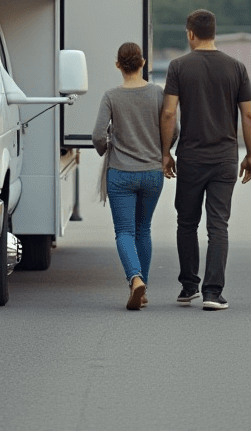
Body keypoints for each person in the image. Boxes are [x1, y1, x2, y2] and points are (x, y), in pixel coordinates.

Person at [160, 9, 251, 311]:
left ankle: (189, 287)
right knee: (218, 225)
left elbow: (168, 112)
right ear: (214, 32)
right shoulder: (236, 68)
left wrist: (166, 151)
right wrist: (250, 154)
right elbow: (249, 115)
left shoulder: (178, 67)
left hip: (191, 157)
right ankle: (213, 293)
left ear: (190, 34)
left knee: (186, 222)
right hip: (225, 158)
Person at [92, 42, 166, 310]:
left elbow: (98, 135)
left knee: (124, 231)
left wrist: (106, 150)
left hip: (121, 173)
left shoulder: (111, 96)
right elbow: (174, 126)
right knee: (143, 229)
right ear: (143, 63)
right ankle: (142, 289)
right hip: (152, 173)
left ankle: (135, 279)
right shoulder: (157, 94)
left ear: (118, 65)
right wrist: (163, 151)